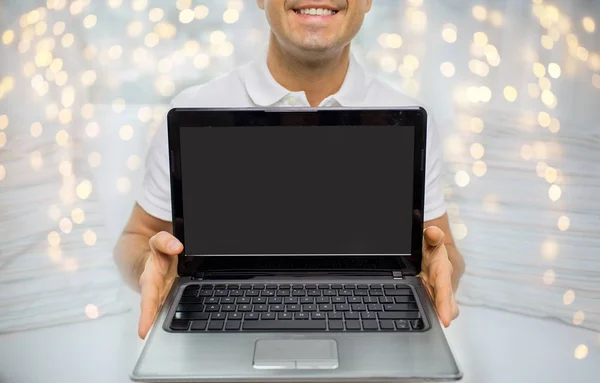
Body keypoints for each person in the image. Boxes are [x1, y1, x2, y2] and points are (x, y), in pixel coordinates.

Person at [114, 0, 465, 339]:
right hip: (224, 314)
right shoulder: (194, 109)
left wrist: (439, 272)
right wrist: (147, 268)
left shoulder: (404, 116)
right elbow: (136, 238)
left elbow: (443, 249)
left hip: (372, 319)